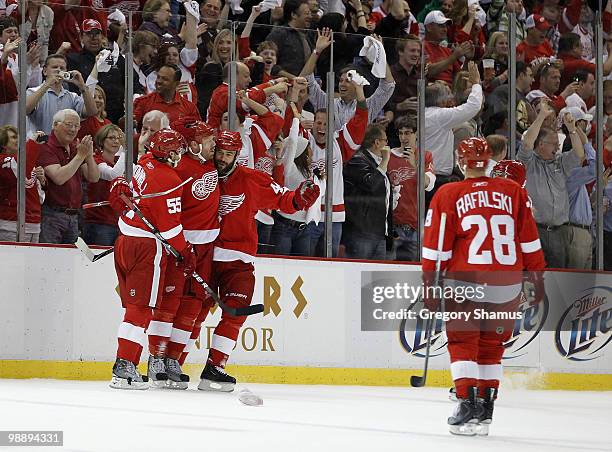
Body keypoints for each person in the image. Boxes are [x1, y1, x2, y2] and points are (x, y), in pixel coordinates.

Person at [422, 137, 545, 436]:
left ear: (461, 161)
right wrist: (536, 280)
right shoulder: (514, 192)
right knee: (492, 347)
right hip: (507, 282)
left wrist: (430, 287)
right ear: (489, 159)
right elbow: (529, 242)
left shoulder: (448, 193)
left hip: (466, 282)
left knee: (463, 343)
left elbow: (436, 250)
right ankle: (485, 411)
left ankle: (465, 402)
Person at [197, 130, 320, 392]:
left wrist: (299, 198)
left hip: (237, 259)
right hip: (203, 255)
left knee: (235, 314)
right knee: (191, 312)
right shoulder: (200, 175)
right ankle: (170, 364)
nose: (222, 158)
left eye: (228, 154)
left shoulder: (251, 179)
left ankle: (214, 368)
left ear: (236, 156)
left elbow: (283, 199)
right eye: (219, 152)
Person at [108, 128, 195, 390]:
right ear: (166, 152)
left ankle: (126, 364)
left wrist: (117, 189)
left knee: (134, 308)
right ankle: (124, 367)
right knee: (141, 309)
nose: (179, 155)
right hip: (146, 247)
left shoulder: (143, 164)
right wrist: (186, 251)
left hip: (123, 240)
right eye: (176, 151)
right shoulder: (169, 178)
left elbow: (126, 193)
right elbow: (168, 228)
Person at [142, 120, 219, 389]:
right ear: (194, 145)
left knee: (194, 306)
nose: (215, 145)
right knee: (169, 303)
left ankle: (175, 360)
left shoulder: (213, 164)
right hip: (180, 247)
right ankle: (156, 358)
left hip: (207, 248)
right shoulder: (179, 169)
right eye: (209, 140)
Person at [518, 101, 584, 268]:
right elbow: (527, 142)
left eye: (558, 143)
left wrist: (572, 129)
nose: (557, 147)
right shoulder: (529, 162)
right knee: (533, 277)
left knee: (557, 280)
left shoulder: (560, 163)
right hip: (535, 230)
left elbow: (579, 153)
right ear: (540, 144)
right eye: (554, 144)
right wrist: (540, 117)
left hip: (559, 233)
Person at [301, 28, 395, 131]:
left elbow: (388, 85)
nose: (342, 84)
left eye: (348, 81)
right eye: (341, 81)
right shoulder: (326, 102)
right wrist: (317, 51)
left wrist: (380, 53)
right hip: (328, 147)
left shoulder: (369, 106)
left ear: (359, 83)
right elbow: (305, 79)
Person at [37, 109, 99, 244]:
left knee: (70, 262)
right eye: (69, 124)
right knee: (48, 258)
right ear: (55, 125)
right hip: (51, 215)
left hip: (73, 215)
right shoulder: (46, 147)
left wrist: (88, 156)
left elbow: (93, 177)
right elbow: (59, 177)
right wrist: (80, 155)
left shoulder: (75, 147)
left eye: (77, 126)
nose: (73, 129)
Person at [387, 115, 435, 261]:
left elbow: (428, 184)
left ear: (416, 134)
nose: (403, 137)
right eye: (400, 133)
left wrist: (414, 164)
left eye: (407, 132)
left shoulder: (425, 156)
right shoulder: (388, 155)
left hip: (415, 223)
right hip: (393, 224)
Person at [343, 124, 393, 260]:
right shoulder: (357, 160)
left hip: (379, 232)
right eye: (385, 141)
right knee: (356, 276)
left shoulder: (376, 162)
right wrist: (385, 160)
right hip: (362, 233)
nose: (387, 144)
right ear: (377, 143)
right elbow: (372, 184)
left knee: (374, 279)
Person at [26, 53, 97, 135]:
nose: (59, 70)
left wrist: (82, 86)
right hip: (40, 144)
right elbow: (25, 109)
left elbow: (92, 112)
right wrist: (47, 85)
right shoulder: (33, 91)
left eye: (62, 68)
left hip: (64, 145)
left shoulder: (72, 96)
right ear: (45, 71)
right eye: (54, 67)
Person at [0, 126, 46, 242]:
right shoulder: (3, 161)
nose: (19, 140)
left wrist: (42, 181)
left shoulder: (29, 163)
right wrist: (32, 143)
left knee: (32, 261)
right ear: (3, 143)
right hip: (10, 226)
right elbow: (18, 165)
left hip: (34, 227)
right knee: (11, 261)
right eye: (14, 137)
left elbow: (40, 199)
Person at [83, 124, 126, 246]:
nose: (116, 141)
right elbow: (113, 175)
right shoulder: (96, 160)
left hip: (117, 221)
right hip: (99, 222)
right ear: (102, 140)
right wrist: (125, 150)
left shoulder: (118, 162)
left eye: (118, 138)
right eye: (111, 138)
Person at [133, 63, 201, 127]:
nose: (159, 81)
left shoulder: (190, 108)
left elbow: (199, 134)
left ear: (176, 84)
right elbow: (128, 129)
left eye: (165, 79)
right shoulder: (142, 102)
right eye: (158, 77)